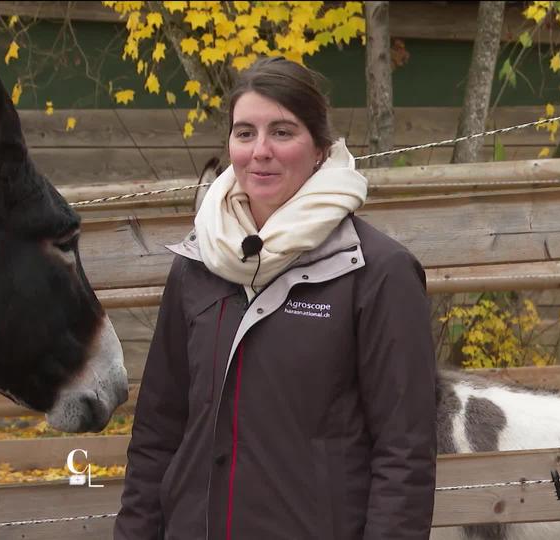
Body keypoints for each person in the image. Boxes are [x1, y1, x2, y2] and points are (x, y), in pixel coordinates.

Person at [114, 57, 437, 539]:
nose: (260, 151)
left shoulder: (377, 273)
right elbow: (157, 436)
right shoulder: (198, 265)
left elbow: (405, 454)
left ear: (321, 150)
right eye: (245, 133)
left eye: (282, 132)